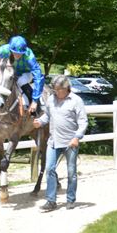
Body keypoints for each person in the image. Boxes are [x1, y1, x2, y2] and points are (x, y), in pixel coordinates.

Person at [34, 75, 88, 211]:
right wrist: (40, 121)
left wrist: (77, 137)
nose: (56, 92)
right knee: (49, 169)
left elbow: (83, 121)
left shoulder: (76, 101)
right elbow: (47, 115)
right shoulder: (51, 100)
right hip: (53, 141)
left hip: (70, 142)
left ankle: (70, 199)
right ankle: (51, 200)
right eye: (55, 90)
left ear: (66, 88)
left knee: (71, 172)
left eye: (58, 90)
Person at [0, 35, 45, 114]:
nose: (17, 55)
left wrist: (35, 100)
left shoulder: (29, 56)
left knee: (21, 80)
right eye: (15, 53)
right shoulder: (2, 50)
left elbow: (38, 76)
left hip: (25, 72)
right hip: (9, 70)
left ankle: (34, 106)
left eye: (20, 53)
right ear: (10, 49)